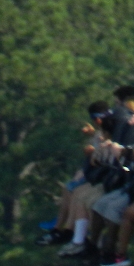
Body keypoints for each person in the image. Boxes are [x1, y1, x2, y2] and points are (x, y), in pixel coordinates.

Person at [47, 101, 110, 252]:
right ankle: (62, 229)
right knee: (70, 189)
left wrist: (93, 152)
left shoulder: (111, 133)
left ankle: (74, 233)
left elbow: (105, 155)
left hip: (103, 178)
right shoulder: (101, 132)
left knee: (80, 195)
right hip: (93, 174)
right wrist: (93, 136)